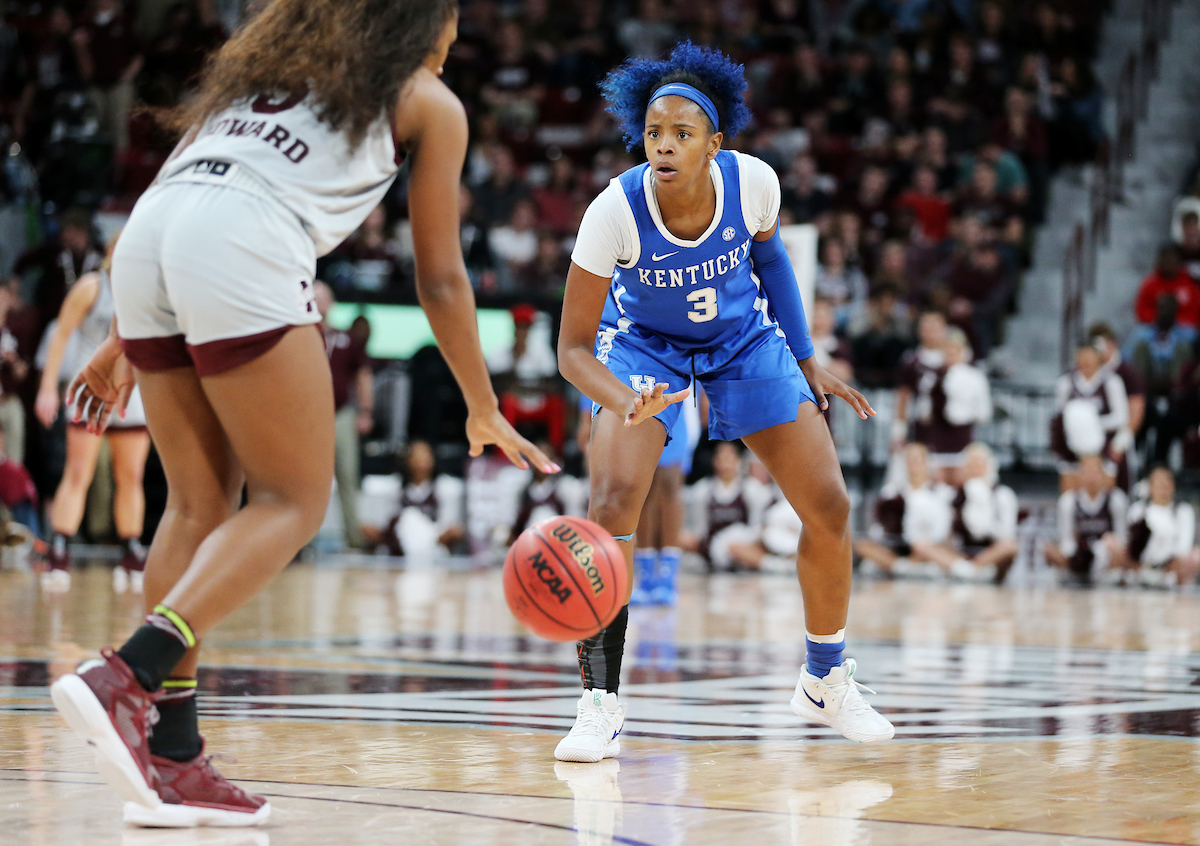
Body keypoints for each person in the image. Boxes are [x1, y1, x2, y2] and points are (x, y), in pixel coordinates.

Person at [49, 1, 554, 830]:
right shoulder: (428, 100)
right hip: (241, 243)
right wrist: (481, 402)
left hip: (147, 242)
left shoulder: (258, 69)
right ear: (417, 27)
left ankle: (174, 756)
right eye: (450, 25)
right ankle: (125, 676)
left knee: (196, 503)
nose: (455, 40)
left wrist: (115, 341)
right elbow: (440, 281)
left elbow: (172, 191)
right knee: (293, 501)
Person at [555, 43, 894, 763]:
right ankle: (598, 701)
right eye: (653, 133)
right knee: (613, 499)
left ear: (715, 142)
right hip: (643, 347)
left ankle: (825, 679)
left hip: (743, 340)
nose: (665, 145)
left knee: (830, 505)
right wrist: (626, 400)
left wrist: (808, 360)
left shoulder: (755, 185)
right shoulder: (613, 210)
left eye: (682, 133)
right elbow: (572, 351)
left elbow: (770, 261)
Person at [35, 258, 151, 593]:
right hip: (92, 389)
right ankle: (59, 549)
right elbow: (60, 335)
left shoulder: (147, 285)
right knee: (78, 472)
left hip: (131, 394)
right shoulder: (92, 286)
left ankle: (130, 549)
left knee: (131, 476)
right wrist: (47, 388)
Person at [315, 282, 373, 550]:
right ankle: (302, 542)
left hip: (341, 414)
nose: (319, 303)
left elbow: (363, 376)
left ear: (332, 303)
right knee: (308, 480)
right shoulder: (298, 338)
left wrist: (365, 411)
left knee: (348, 475)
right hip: (308, 417)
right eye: (314, 298)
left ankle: (354, 537)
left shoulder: (347, 338)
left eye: (323, 298)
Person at [853, 442, 957, 579]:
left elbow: (942, 532)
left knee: (925, 547)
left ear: (925, 463)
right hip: (896, 547)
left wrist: (920, 544)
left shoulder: (940, 493)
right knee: (862, 544)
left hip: (926, 548)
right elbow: (879, 528)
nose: (911, 464)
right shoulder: (891, 492)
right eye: (908, 460)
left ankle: (907, 565)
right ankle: (902, 566)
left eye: (915, 460)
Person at [1051, 342, 1129, 491]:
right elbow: (1059, 416)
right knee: (1071, 493)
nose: (1085, 362)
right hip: (1073, 450)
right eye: (1081, 358)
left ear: (1098, 359)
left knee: (1104, 493)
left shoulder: (1111, 382)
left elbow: (1121, 417)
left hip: (1103, 448)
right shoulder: (1066, 383)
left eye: (1089, 357)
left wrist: (1091, 423)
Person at [1044, 454, 1129, 584]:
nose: (1091, 477)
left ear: (1103, 475)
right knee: (1049, 550)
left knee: (1117, 547)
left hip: (1106, 555)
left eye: (1095, 472)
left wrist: (1102, 549)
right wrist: (1080, 554)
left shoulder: (1116, 499)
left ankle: (1108, 577)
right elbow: (1066, 540)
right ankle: (1074, 574)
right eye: (1087, 472)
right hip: (1077, 555)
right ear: (1079, 476)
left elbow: (1122, 538)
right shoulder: (1068, 501)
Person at [383, 439, 465, 559]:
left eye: (425, 456)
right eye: (417, 457)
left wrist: (429, 538)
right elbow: (389, 524)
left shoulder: (443, 487)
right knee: (409, 517)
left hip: (434, 550)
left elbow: (449, 527)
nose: (421, 462)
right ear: (408, 461)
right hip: (401, 551)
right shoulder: (395, 487)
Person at [1127, 466, 1199, 587]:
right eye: (1158, 483)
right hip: (1142, 565)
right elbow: (1132, 543)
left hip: (1172, 566)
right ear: (1150, 486)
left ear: (1173, 486)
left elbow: (1184, 546)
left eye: (1167, 482)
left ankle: (1177, 583)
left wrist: (1168, 563)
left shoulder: (1183, 511)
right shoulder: (1138, 510)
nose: (1163, 486)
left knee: (1197, 555)